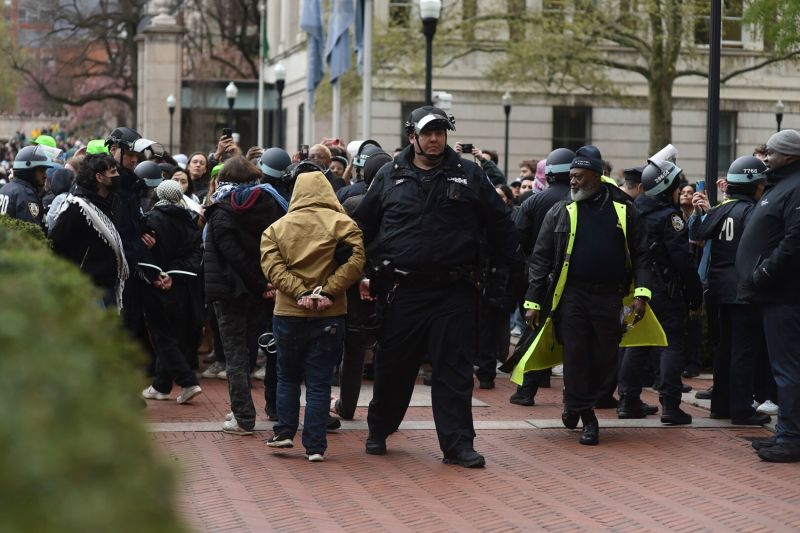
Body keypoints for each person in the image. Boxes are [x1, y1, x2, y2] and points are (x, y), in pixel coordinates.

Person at [353, 105, 522, 468]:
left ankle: (458, 445)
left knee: (455, 371)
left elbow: (502, 225)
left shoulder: (469, 174)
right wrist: (362, 271)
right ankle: (379, 428)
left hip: (454, 290)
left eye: (440, 132)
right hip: (402, 291)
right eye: (427, 133)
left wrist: (511, 277)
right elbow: (361, 227)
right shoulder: (389, 175)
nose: (434, 139)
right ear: (412, 136)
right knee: (394, 368)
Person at [521, 145, 652, 445]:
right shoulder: (561, 211)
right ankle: (587, 415)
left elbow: (643, 254)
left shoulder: (624, 210)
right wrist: (532, 301)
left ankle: (575, 402)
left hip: (609, 298)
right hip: (572, 298)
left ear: (596, 176)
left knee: (606, 361)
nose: (573, 182)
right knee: (576, 356)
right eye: (571, 176)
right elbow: (540, 258)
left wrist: (642, 295)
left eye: (579, 176)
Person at [261, 170, 365, 462]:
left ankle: (284, 432)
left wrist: (299, 293)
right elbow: (357, 260)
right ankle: (316, 446)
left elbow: (272, 268)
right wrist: (328, 292)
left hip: (289, 312)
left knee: (287, 376)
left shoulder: (276, 228)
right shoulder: (344, 224)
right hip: (330, 312)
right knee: (319, 381)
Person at [203, 156, 287, 435]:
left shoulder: (220, 208)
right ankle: (259, 408)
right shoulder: (272, 203)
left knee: (235, 355)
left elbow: (232, 255)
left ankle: (243, 417)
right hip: (263, 290)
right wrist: (265, 283)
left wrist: (258, 282)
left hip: (230, 292)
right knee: (257, 349)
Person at [618, 157, 702, 424]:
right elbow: (683, 261)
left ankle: (628, 401)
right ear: (667, 188)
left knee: (638, 342)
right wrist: (694, 294)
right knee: (671, 343)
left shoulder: (632, 211)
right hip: (665, 289)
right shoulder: (670, 218)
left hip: (637, 287)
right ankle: (670, 405)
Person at [688, 156, 770, 426]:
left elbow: (699, 232)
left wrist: (703, 210)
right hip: (744, 291)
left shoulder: (721, 209)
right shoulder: (752, 212)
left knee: (724, 349)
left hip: (718, 290)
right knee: (744, 351)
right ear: (753, 185)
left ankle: (720, 405)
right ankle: (741, 409)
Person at [737, 129, 800, 462]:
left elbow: (794, 242)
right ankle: (785, 433)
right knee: (784, 368)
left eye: (771, 154)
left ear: (788, 156)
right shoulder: (782, 185)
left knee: (788, 370)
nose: (765, 159)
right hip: (775, 295)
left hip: (784, 295)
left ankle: (791, 438)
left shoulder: (795, 187)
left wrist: (763, 272)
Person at [507, 148, 574, 406]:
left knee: (534, 332)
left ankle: (526, 390)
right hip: (572, 281)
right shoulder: (582, 200)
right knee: (575, 336)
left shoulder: (532, 202)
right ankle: (577, 395)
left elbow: (516, 241)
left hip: (538, 279)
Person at [139, 180, 204, 405]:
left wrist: (159, 276)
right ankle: (161, 385)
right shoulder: (191, 221)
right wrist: (174, 275)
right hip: (182, 287)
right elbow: (196, 258)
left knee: (162, 337)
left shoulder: (149, 220)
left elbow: (143, 254)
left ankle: (188, 381)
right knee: (172, 335)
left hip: (157, 287)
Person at [49, 153, 128, 310]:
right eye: (113, 172)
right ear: (99, 177)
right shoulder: (76, 208)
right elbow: (56, 246)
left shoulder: (112, 203)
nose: (117, 175)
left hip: (110, 287)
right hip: (88, 291)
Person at [0, 145, 57, 228]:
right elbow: (32, 234)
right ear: (29, 171)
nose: (45, 175)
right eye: (41, 171)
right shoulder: (26, 195)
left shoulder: (5, 188)